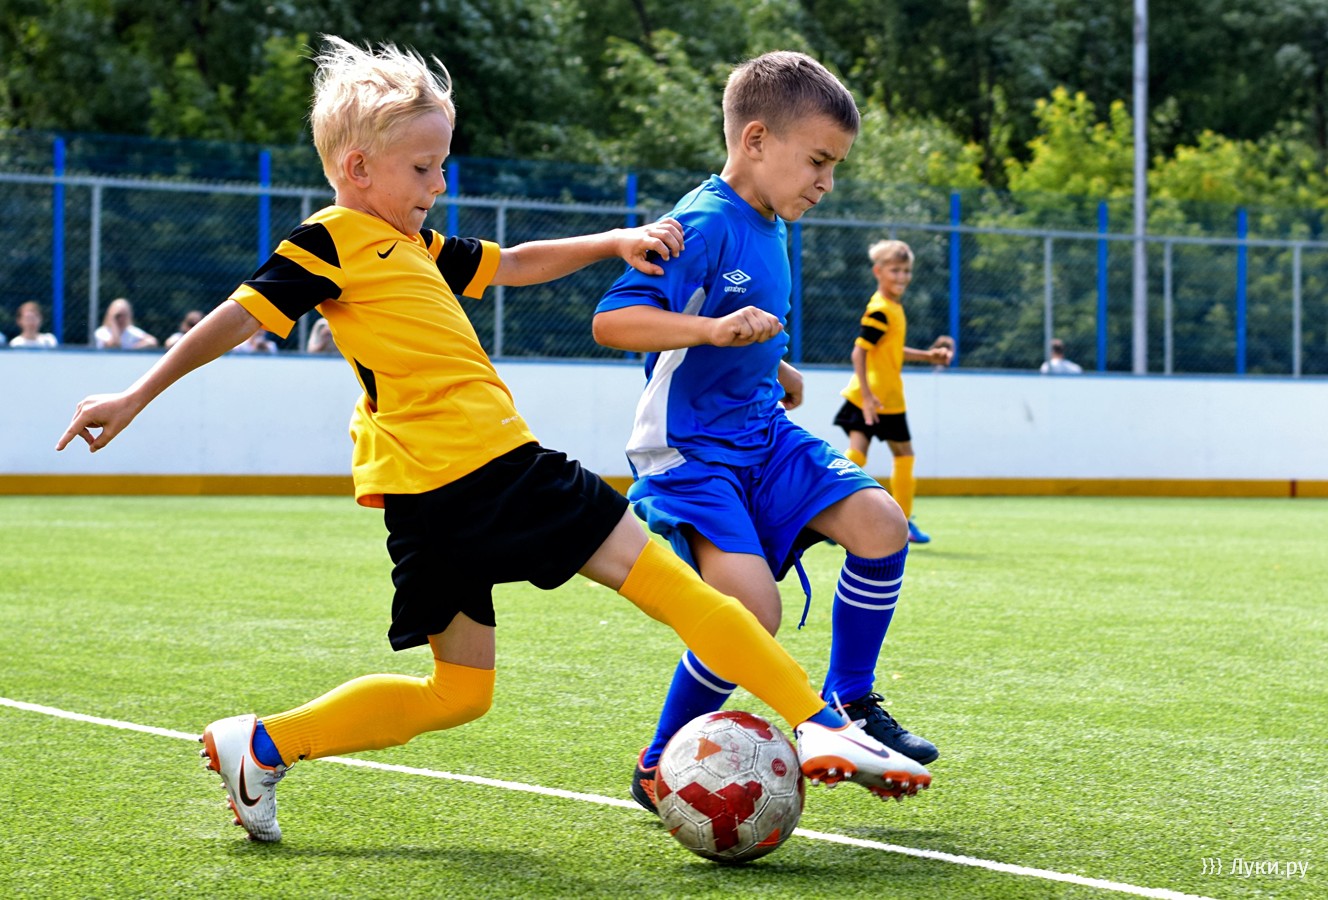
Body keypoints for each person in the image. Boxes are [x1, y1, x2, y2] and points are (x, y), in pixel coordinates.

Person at [56, 36, 926, 844]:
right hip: (491, 466)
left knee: (459, 692)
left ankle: (263, 744)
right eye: (422, 168)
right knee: (672, 588)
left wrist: (613, 242)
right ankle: (820, 723)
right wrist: (136, 393)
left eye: (441, 165)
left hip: (428, 498)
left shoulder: (414, 242)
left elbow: (509, 263)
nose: (437, 183)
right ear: (357, 168)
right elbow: (240, 315)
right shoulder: (331, 241)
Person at [592, 51, 936, 815]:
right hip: (690, 452)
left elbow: (730, 319)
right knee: (752, 612)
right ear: (755, 140)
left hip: (762, 433)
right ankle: (658, 764)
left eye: (835, 166)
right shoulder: (701, 222)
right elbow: (614, 321)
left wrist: (772, 366)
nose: (827, 181)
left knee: (881, 522)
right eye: (818, 161)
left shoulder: (773, 221)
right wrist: (713, 331)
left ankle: (850, 701)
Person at [834, 240, 951, 545]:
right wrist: (869, 397)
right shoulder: (881, 310)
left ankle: (825, 512)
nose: (902, 277)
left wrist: (928, 356)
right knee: (904, 455)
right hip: (878, 397)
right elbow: (859, 352)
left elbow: (890, 348)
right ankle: (904, 522)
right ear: (878, 271)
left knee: (856, 455)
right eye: (895, 270)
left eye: (906, 271)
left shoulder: (891, 307)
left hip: (871, 395)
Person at [94, 298, 159, 350]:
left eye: (124, 315)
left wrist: (133, 349)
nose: (121, 319)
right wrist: (113, 324)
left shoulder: (132, 331)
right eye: (118, 316)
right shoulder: (102, 332)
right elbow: (114, 345)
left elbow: (152, 342)